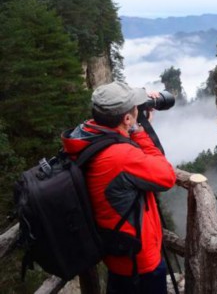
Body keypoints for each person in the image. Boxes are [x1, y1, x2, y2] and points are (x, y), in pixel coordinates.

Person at [62, 81, 176, 294]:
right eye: (135, 109)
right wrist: (140, 131)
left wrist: (131, 122)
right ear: (125, 118)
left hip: (117, 251)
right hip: (139, 263)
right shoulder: (120, 157)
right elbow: (167, 177)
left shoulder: (86, 134)